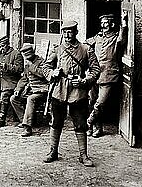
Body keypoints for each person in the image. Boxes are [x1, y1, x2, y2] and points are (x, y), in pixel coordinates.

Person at [42, 20, 100, 167]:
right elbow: (45, 67)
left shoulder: (86, 49)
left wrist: (85, 81)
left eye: (71, 31)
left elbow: (95, 70)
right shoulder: (57, 49)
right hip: (59, 90)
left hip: (78, 91)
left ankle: (83, 155)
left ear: (76, 32)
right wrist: (52, 72)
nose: (68, 35)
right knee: (56, 122)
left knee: (80, 124)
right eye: (65, 32)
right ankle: (53, 151)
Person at [86, 13, 128, 137]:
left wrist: (124, 23)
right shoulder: (98, 37)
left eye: (105, 23)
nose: (103, 25)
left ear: (112, 24)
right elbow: (85, 45)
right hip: (95, 73)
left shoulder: (115, 38)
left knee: (101, 102)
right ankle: (97, 129)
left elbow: (123, 39)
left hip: (109, 74)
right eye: (102, 23)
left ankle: (89, 121)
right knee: (92, 101)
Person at [9, 43, 49, 137]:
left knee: (30, 99)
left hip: (42, 90)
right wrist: (18, 88)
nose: (26, 56)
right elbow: (24, 78)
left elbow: (43, 74)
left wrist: (31, 65)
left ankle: (27, 127)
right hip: (31, 89)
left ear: (33, 52)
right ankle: (25, 120)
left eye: (28, 54)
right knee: (14, 98)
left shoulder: (41, 61)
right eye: (25, 54)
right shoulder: (27, 63)